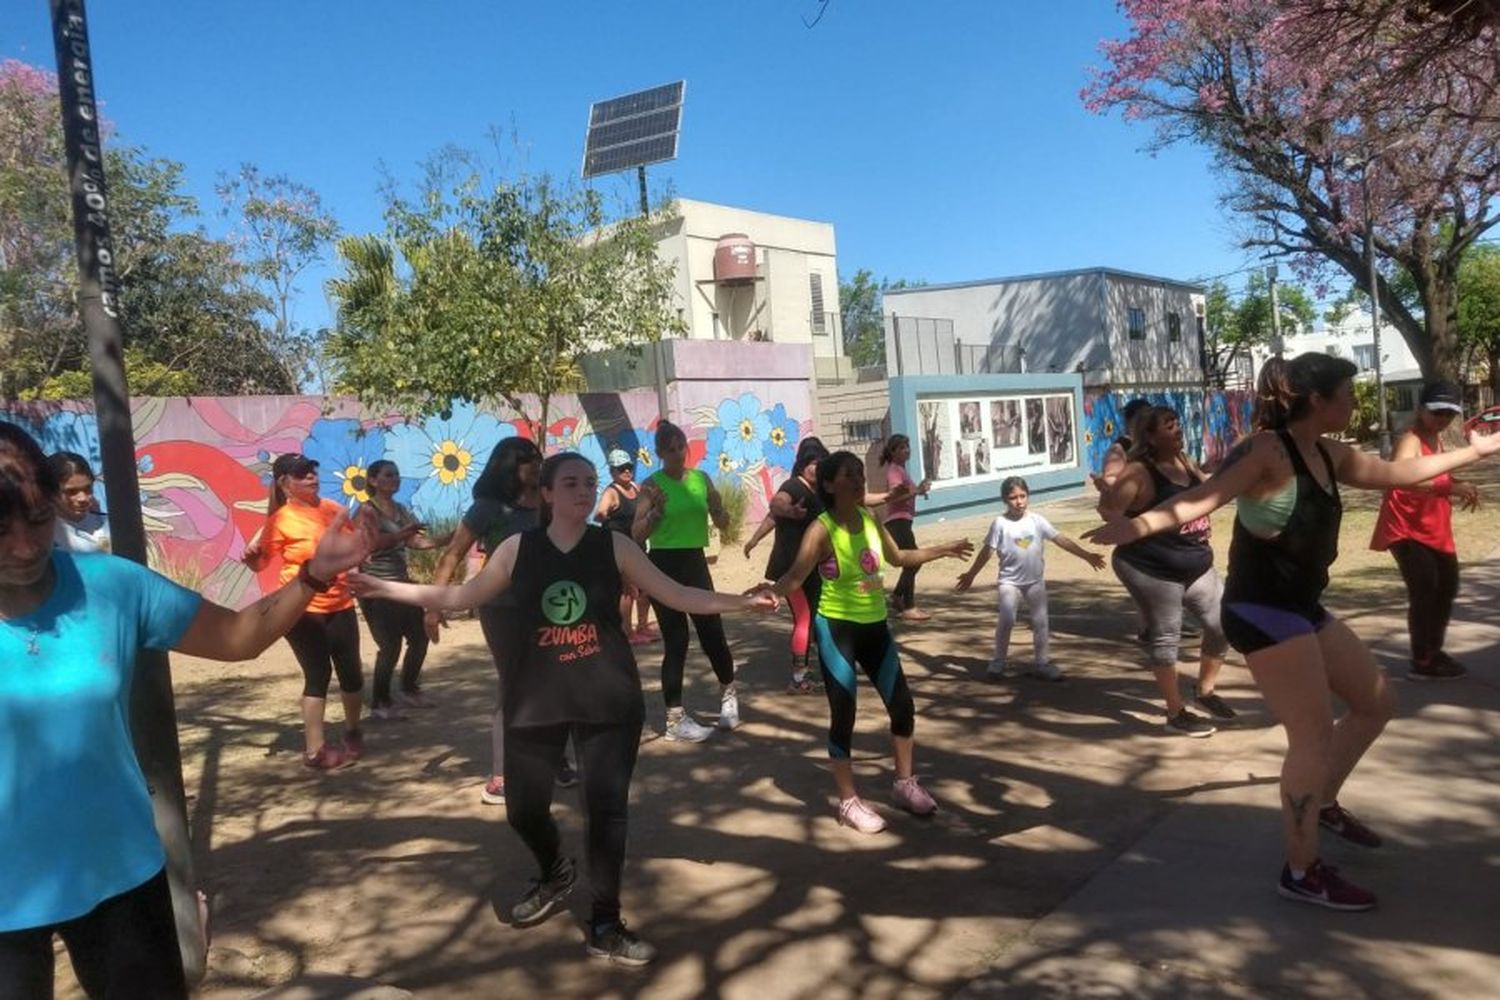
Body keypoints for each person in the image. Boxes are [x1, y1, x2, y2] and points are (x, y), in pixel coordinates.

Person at [1087, 354, 1500, 911]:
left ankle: (1322, 801)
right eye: (1347, 394)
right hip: (1260, 609)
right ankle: (1302, 871)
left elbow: (1396, 474)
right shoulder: (1267, 451)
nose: (1354, 403)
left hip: (1301, 605)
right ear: (1316, 400)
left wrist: (1476, 450)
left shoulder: (1327, 453)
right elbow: (1199, 499)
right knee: (1312, 738)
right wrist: (1137, 524)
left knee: (1376, 702)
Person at [350, 452, 776, 966]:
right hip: (537, 695)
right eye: (570, 483)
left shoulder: (612, 545)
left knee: (606, 812)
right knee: (523, 808)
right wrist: (381, 586)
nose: (583, 491)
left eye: (589, 483)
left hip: (608, 697)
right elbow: (461, 594)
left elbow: (679, 593)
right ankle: (555, 868)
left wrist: (741, 602)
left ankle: (605, 921)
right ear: (546, 494)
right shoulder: (515, 549)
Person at [0, 422, 374, 998]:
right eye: (1, 529)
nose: (25, 547)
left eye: (38, 519)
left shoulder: (112, 587)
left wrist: (315, 574)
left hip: (119, 873)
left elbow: (237, 638)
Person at [758, 451, 973, 834]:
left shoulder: (871, 518)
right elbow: (794, 576)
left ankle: (904, 784)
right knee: (845, 715)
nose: (859, 480)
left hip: (875, 628)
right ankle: (847, 801)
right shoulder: (821, 529)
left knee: (902, 706)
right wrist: (769, 594)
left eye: (860, 473)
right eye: (849, 475)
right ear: (828, 484)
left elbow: (900, 555)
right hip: (837, 629)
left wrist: (943, 550)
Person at [427, 437, 575, 804]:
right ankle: (502, 776)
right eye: (529, 460)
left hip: (548, 607)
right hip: (503, 609)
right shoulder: (488, 508)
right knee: (514, 686)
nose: (538, 465)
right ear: (509, 466)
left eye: (540, 459)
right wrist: (433, 605)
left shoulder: (546, 501)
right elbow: (451, 556)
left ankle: (555, 759)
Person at [1099, 406, 1234, 736]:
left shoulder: (1184, 460)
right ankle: (1175, 714)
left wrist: (1223, 468)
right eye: (1169, 427)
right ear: (1149, 435)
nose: (1178, 431)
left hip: (1196, 563)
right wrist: (1119, 515)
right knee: (1166, 635)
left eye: (1178, 425)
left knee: (1223, 624)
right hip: (1152, 568)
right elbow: (1108, 510)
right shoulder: (1138, 472)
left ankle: (1204, 692)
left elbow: (1206, 491)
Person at [243, 454, 368, 769]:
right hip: (300, 609)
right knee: (318, 674)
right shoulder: (280, 520)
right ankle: (315, 750)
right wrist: (250, 558)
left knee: (351, 672)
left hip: (340, 603)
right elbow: (261, 563)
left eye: (313, 470)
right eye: (302, 474)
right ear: (285, 483)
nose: (312, 476)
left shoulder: (333, 510)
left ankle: (353, 730)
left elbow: (354, 547)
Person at [631, 421, 739, 743]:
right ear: (660, 453)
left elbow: (723, 521)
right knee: (676, 641)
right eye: (671, 450)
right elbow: (636, 535)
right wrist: (655, 514)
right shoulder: (651, 485)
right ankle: (675, 720)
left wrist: (719, 511)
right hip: (662, 565)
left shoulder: (701, 479)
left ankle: (728, 696)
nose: (678, 454)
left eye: (681, 448)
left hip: (695, 562)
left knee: (712, 635)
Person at [1370, 381, 1479, 681]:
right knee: (1425, 589)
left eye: (1449, 413)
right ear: (1421, 410)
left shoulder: (1434, 438)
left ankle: (1433, 650)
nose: (1443, 418)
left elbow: (1436, 473)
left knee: (1447, 587)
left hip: (1432, 528)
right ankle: (1422, 660)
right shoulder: (1411, 439)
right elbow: (1401, 477)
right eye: (1437, 411)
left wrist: (1457, 484)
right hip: (1406, 529)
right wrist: (1451, 487)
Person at [955, 476, 1106, 681]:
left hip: (1035, 581)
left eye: (1022, 496)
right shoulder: (1000, 523)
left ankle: (1042, 663)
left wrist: (1087, 556)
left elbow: (1061, 540)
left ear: (1028, 495)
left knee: (1040, 621)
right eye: (1013, 498)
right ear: (1004, 500)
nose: (1019, 501)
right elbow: (987, 551)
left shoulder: (1037, 521)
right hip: (1009, 581)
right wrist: (971, 574)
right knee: (1007, 619)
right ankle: (998, 661)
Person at [358, 460, 451, 720]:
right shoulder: (367, 511)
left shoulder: (400, 509)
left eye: (397, 474)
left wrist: (447, 539)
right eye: (389, 475)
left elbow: (414, 541)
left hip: (402, 585)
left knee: (420, 638)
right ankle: (380, 702)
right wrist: (402, 534)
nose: (395, 478)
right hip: (377, 588)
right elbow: (370, 545)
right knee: (389, 647)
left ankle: (409, 689)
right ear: (373, 480)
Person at [764, 438, 831, 693]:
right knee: (803, 618)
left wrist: (752, 541)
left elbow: (771, 519)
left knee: (813, 616)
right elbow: (776, 504)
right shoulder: (793, 486)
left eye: (819, 462)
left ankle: (806, 668)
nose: (815, 467)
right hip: (791, 569)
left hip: (810, 566)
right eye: (811, 462)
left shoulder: (819, 491)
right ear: (802, 463)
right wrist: (790, 510)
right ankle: (798, 677)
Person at [594, 448, 655, 645]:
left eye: (629, 467)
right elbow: (599, 514)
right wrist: (606, 515)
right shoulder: (611, 492)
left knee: (646, 588)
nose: (626, 471)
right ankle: (627, 632)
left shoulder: (636, 489)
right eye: (621, 469)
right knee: (629, 590)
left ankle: (643, 626)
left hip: (639, 545)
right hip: (620, 548)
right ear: (612, 472)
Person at [877, 434, 931, 622]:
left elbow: (907, 494)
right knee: (913, 562)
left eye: (907, 446)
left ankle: (898, 596)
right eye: (901, 447)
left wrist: (919, 489)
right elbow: (893, 497)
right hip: (897, 522)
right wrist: (916, 491)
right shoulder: (894, 471)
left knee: (913, 562)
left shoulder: (900, 469)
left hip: (903, 521)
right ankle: (907, 606)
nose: (906, 450)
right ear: (892, 452)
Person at [47, 452, 110, 553]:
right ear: (51, 492)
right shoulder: (45, 538)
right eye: (71, 492)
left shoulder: (109, 524)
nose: (83, 498)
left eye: (87, 488)